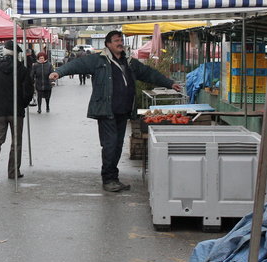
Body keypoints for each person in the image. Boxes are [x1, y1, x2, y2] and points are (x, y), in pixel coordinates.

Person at [49, 31, 180, 193]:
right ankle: (109, 179)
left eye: (121, 40)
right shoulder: (99, 60)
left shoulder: (129, 62)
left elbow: (149, 73)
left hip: (123, 111)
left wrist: (169, 83)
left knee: (117, 146)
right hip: (106, 111)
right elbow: (77, 65)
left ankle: (113, 177)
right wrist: (59, 72)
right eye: (116, 40)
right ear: (108, 44)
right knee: (110, 145)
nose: (120, 43)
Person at [0, 40, 35, 182]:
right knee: (16, 142)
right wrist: (22, 104)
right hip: (16, 111)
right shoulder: (22, 69)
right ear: (17, 54)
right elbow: (29, 91)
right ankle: (13, 171)